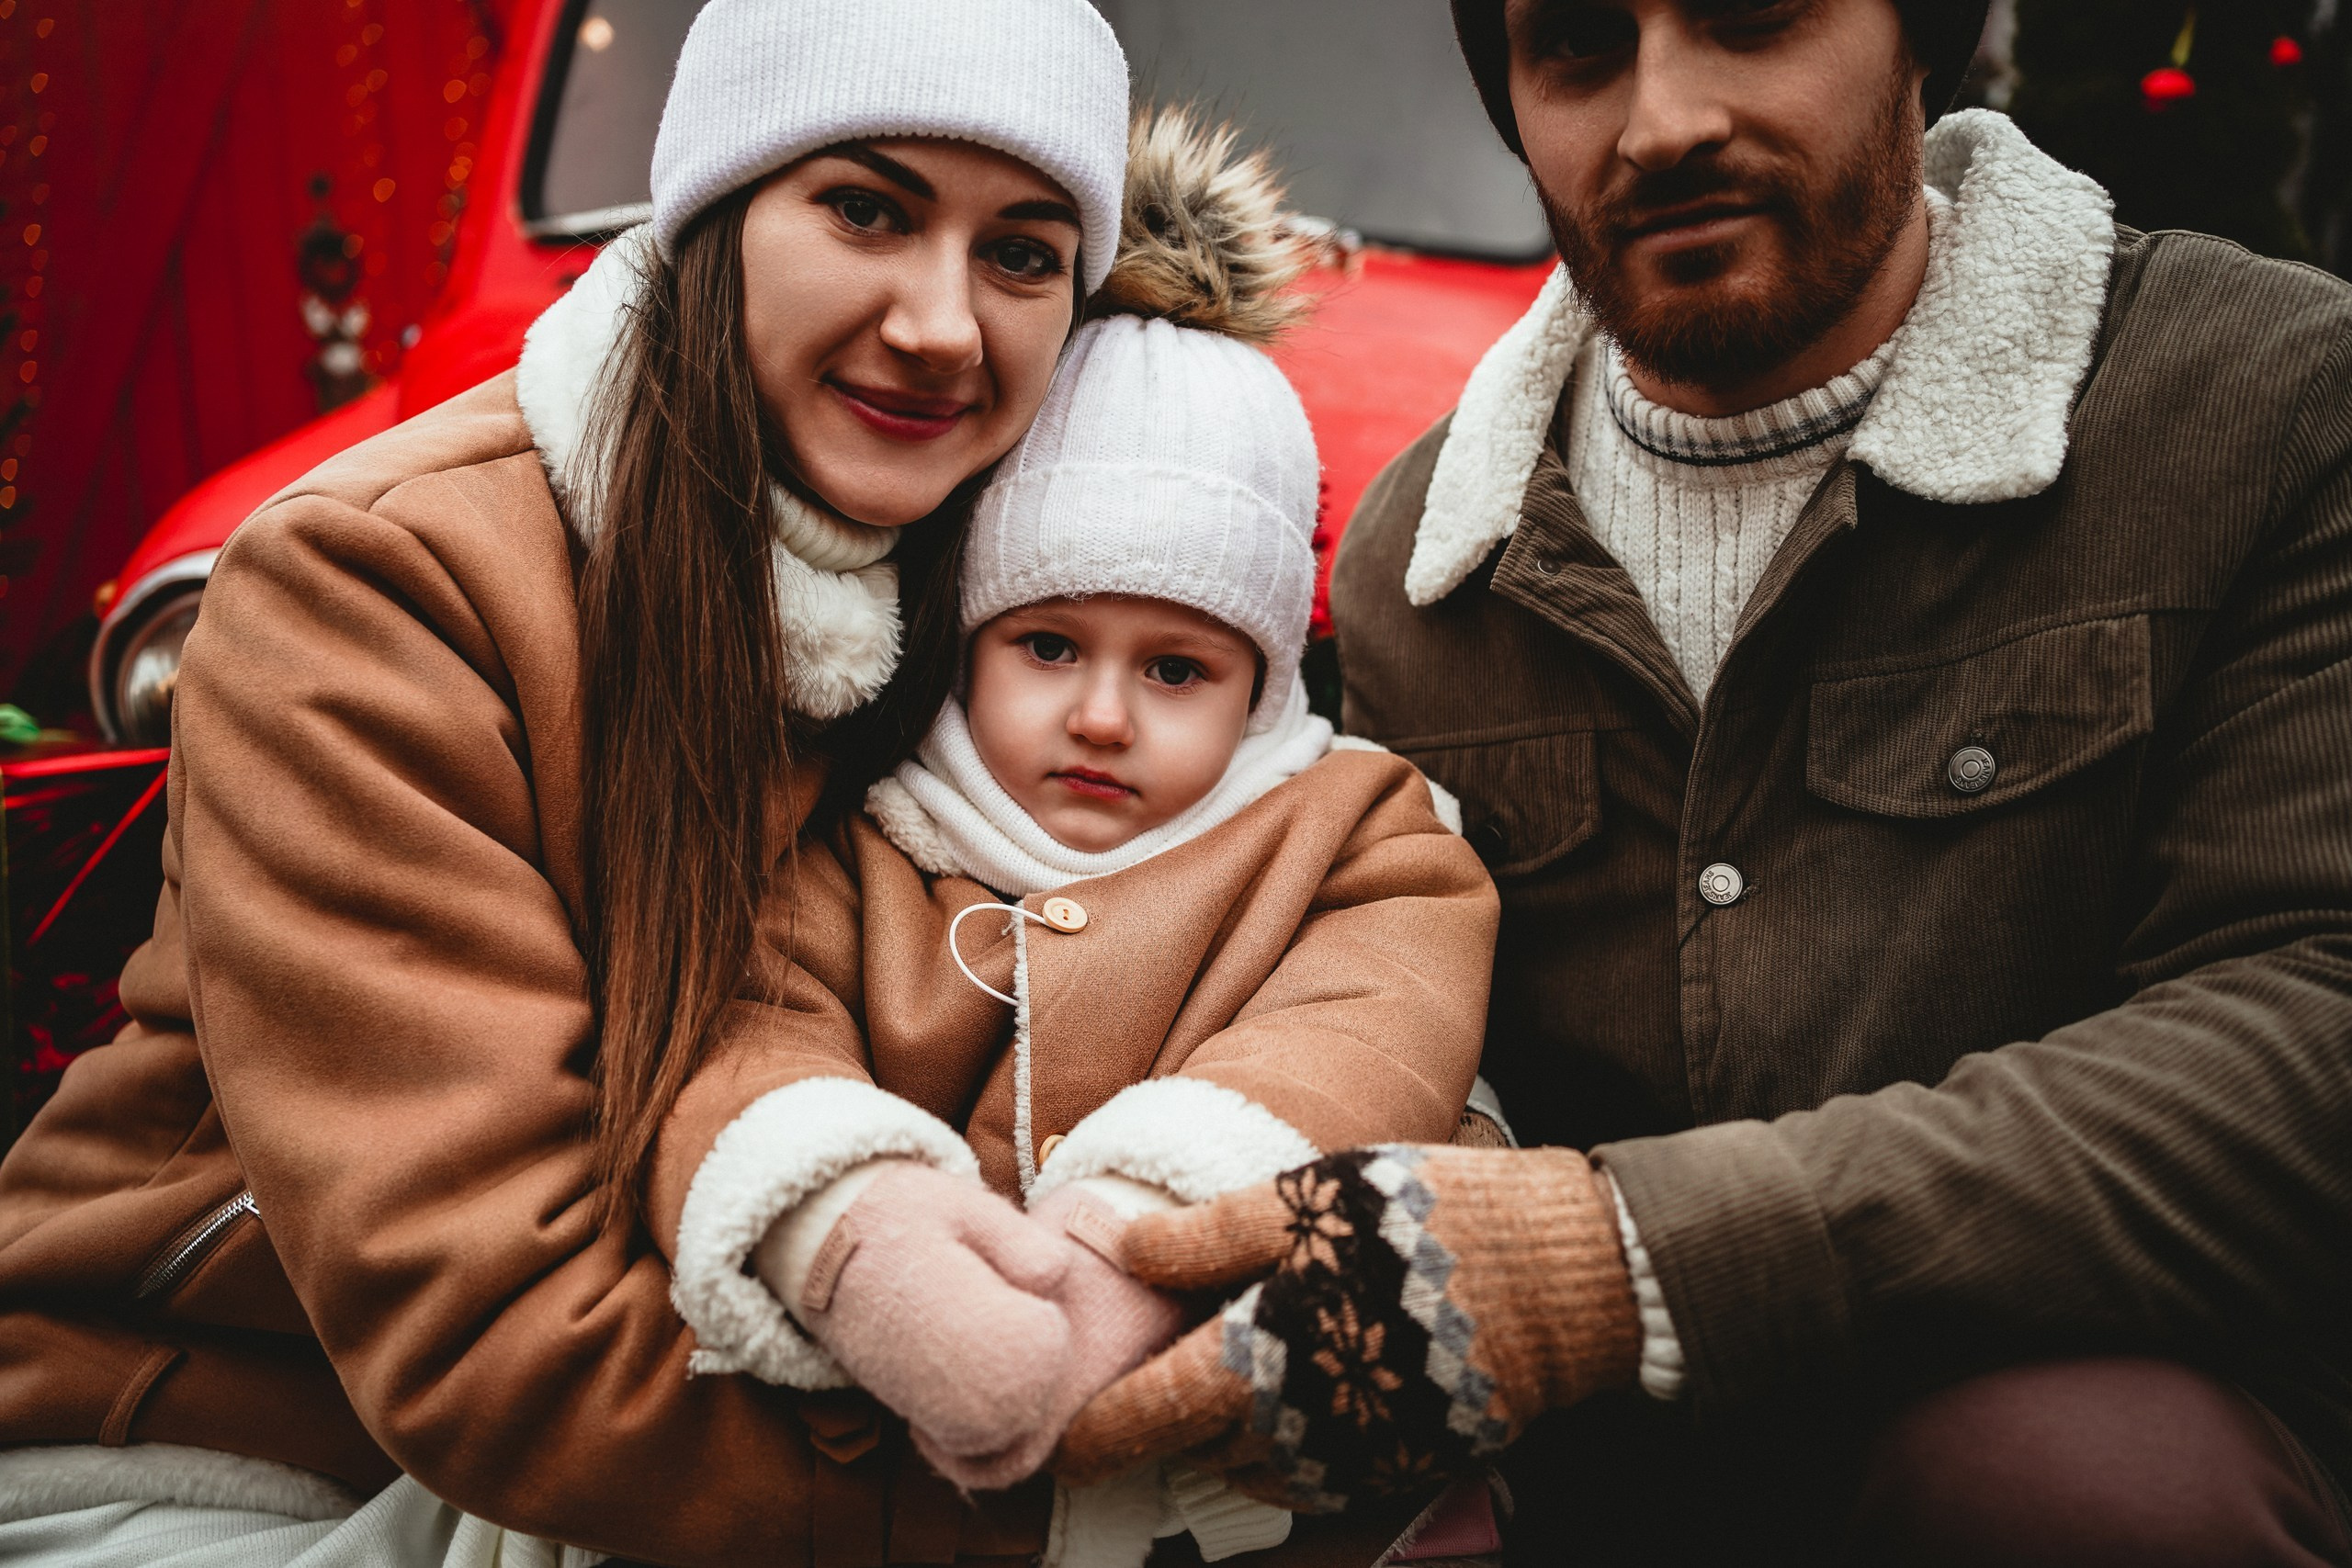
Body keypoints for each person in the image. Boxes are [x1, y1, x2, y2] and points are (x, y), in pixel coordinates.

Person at [1052, 1, 2352, 1564]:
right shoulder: (1415, 564)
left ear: (1919, 36)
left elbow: (2309, 1024)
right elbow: (1392, 986)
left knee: (2067, 1477)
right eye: (1579, 48)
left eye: (1750, 17)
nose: (1661, 119)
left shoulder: (2274, 400)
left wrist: (1624, 1257)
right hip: (1597, 1479)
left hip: (2098, 1440)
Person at [0, 0, 1132, 1562]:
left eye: (1022, 253)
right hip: (215, 1442)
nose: (943, 324)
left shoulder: (1027, 591)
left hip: (695, 1411)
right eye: (866, 208)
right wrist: (1102, 1491)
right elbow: (486, 1325)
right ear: (719, 217)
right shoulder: (380, 587)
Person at [690, 108, 1502, 1567]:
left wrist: (1131, 1242)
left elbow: (1361, 1039)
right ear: (963, 643)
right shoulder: (867, 833)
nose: (1106, 716)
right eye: (1049, 646)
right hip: (898, 1467)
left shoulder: (1349, 836)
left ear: (1266, 681)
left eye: (1178, 669)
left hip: (1244, 1473)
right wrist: (859, 1234)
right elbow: (756, 1027)